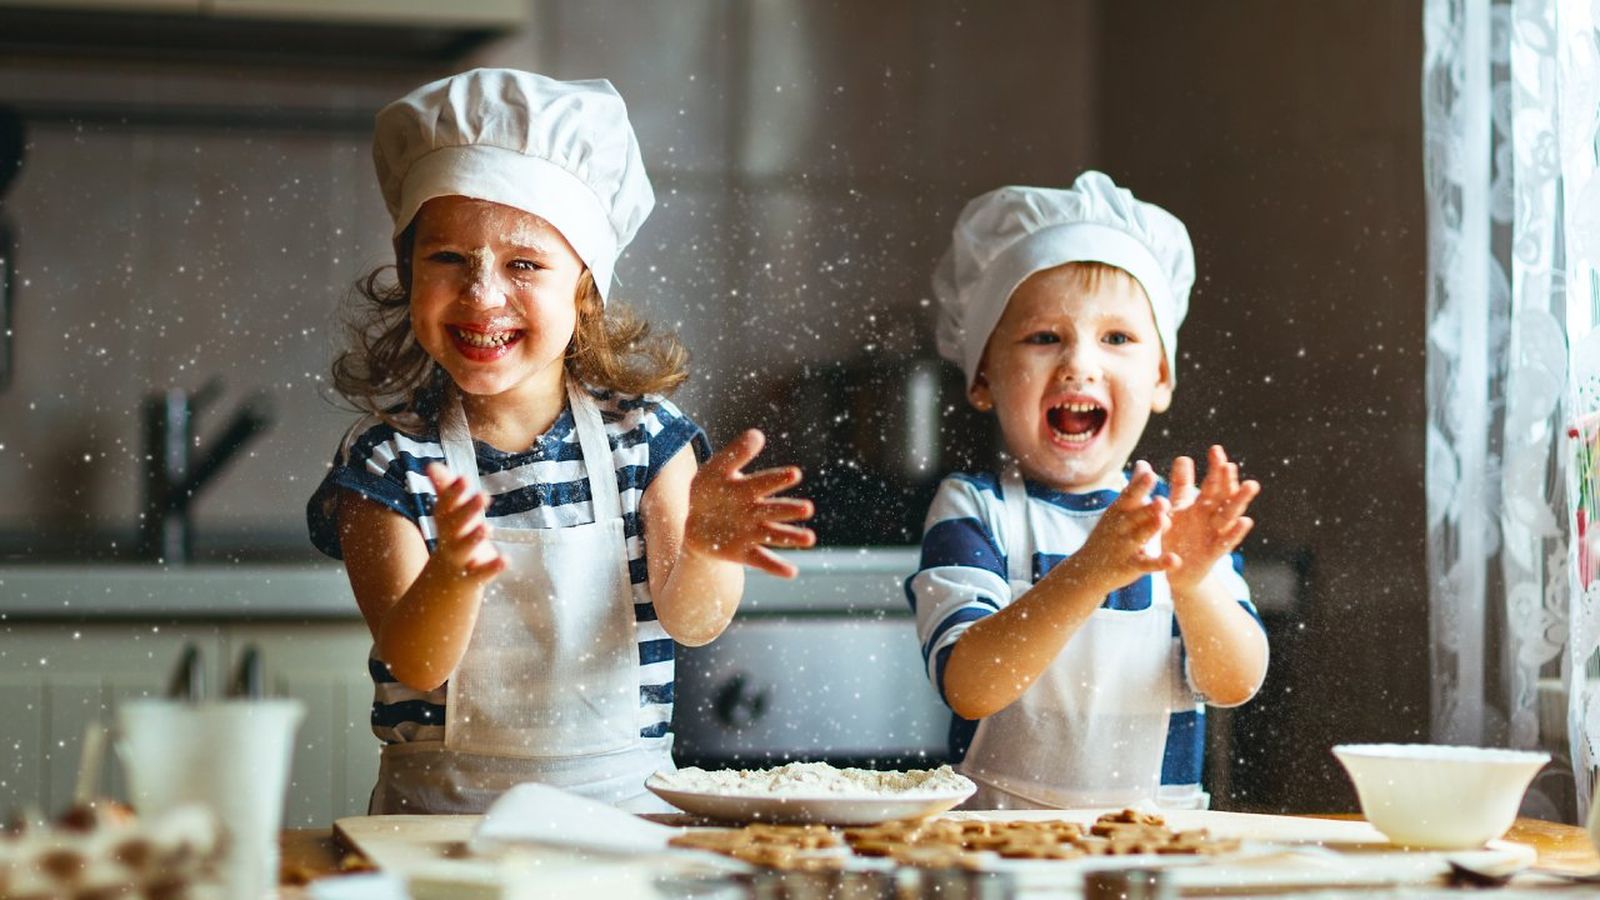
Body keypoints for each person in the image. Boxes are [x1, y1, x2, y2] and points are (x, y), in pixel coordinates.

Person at [306, 69, 815, 814]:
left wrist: (704, 548)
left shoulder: (647, 440)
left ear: (585, 288)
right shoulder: (387, 464)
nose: (482, 294)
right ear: (407, 272)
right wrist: (453, 573)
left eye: (524, 264)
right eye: (447, 258)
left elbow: (693, 623)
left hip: (625, 820)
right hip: (440, 829)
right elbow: (415, 661)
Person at [908, 171, 1269, 810]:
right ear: (984, 374)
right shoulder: (975, 509)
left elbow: (1235, 682)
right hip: (997, 851)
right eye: (1044, 337)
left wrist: (1191, 583)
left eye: (1118, 339)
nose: (1079, 363)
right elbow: (969, 683)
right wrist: (1089, 573)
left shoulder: (1179, 522)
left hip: (1156, 852)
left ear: (1160, 378)